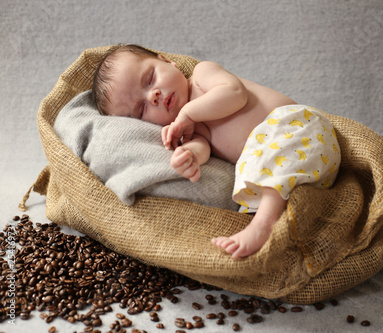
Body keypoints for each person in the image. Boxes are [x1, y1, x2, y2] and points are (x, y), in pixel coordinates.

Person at [92, 44, 341, 259]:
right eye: (142, 108)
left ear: (168, 61)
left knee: (267, 156)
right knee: (251, 173)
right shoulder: (189, 128)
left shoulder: (202, 75)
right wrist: (190, 155)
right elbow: (204, 147)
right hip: (300, 169)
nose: (154, 95)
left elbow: (235, 94)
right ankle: (277, 222)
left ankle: (263, 225)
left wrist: (188, 114)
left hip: (298, 128)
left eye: (149, 79)